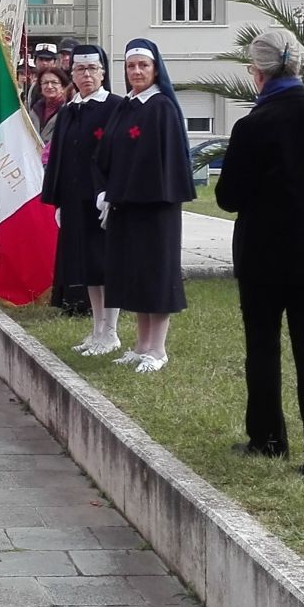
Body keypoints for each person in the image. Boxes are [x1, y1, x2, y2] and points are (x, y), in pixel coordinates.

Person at [213, 28, 304, 479]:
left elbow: (228, 197)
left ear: (258, 73)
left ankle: (267, 438)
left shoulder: (252, 125)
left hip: (264, 256)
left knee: (263, 346)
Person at [92, 39, 194, 373]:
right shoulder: (128, 105)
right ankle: (140, 345)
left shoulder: (160, 107)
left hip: (154, 206)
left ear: (155, 69)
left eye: (143, 66)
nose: (136, 72)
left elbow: (156, 163)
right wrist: (106, 190)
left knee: (154, 275)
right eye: (131, 66)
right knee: (134, 276)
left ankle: (158, 349)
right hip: (126, 205)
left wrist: (124, 191)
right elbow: (109, 152)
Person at [41, 45, 119, 345]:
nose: (86, 75)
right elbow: (59, 155)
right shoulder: (71, 109)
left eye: (92, 69)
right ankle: (98, 329)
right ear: (72, 73)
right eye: (80, 70)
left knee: (104, 266)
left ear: (102, 72)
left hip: (101, 202)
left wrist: (112, 192)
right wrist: (57, 198)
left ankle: (111, 332)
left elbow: (120, 155)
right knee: (86, 266)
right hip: (74, 200)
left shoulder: (115, 106)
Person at [29, 66, 70, 140]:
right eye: (45, 83)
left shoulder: (68, 110)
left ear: (63, 86)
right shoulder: (35, 110)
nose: (49, 86)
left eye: (54, 82)